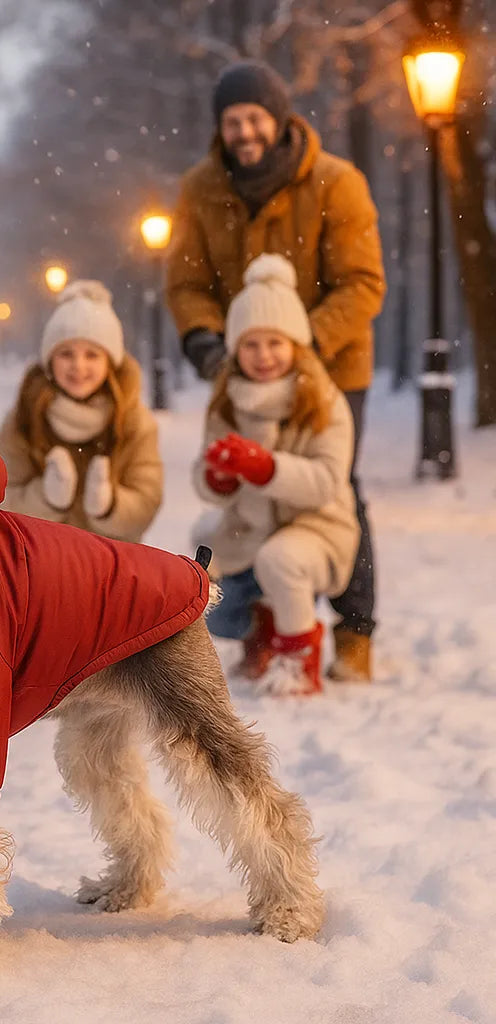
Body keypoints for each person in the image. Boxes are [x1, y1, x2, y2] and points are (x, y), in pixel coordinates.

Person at [166, 59, 385, 682]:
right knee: (249, 482)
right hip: (242, 367)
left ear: (280, 117)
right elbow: (186, 280)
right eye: (233, 121)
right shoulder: (201, 188)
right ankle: (266, 614)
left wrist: (303, 345)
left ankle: (355, 626)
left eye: (255, 116)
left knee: (336, 484)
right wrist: (211, 342)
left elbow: (363, 282)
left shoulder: (335, 182)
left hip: (332, 364)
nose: (245, 131)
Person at [195, 254, 359, 696]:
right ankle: (258, 631)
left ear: (296, 345)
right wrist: (220, 476)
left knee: (280, 558)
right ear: (234, 349)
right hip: (251, 526)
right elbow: (202, 477)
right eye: (251, 344)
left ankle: (297, 658)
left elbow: (327, 480)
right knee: (203, 548)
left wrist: (267, 468)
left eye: (275, 343)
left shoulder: (324, 400)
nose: (263, 356)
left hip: (318, 527)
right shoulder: (228, 401)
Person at [0, 279, 163, 543]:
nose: (78, 365)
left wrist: (110, 506)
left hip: (112, 564)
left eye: (92, 355)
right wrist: (46, 498)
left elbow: (147, 499)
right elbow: (3, 497)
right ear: (50, 360)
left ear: (110, 362)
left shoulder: (134, 420)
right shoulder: (23, 418)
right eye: (66, 353)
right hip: (41, 560)